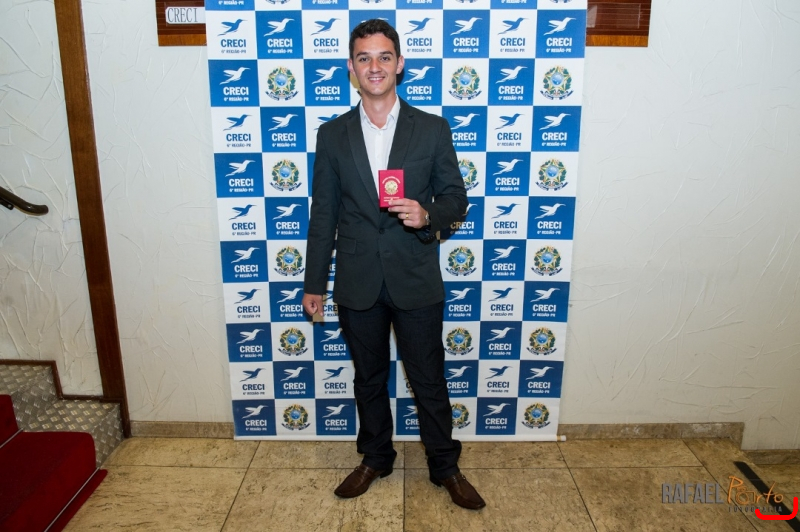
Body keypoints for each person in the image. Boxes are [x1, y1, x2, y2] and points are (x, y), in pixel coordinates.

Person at [302, 19, 485, 510]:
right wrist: (314, 282)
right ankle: (376, 457)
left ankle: (445, 466)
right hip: (357, 279)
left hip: (415, 275)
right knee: (368, 379)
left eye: (384, 56)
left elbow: (456, 198)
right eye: (364, 58)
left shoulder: (432, 128)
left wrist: (427, 215)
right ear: (351, 67)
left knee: (429, 379)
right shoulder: (332, 134)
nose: (375, 66)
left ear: (399, 64)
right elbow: (323, 214)